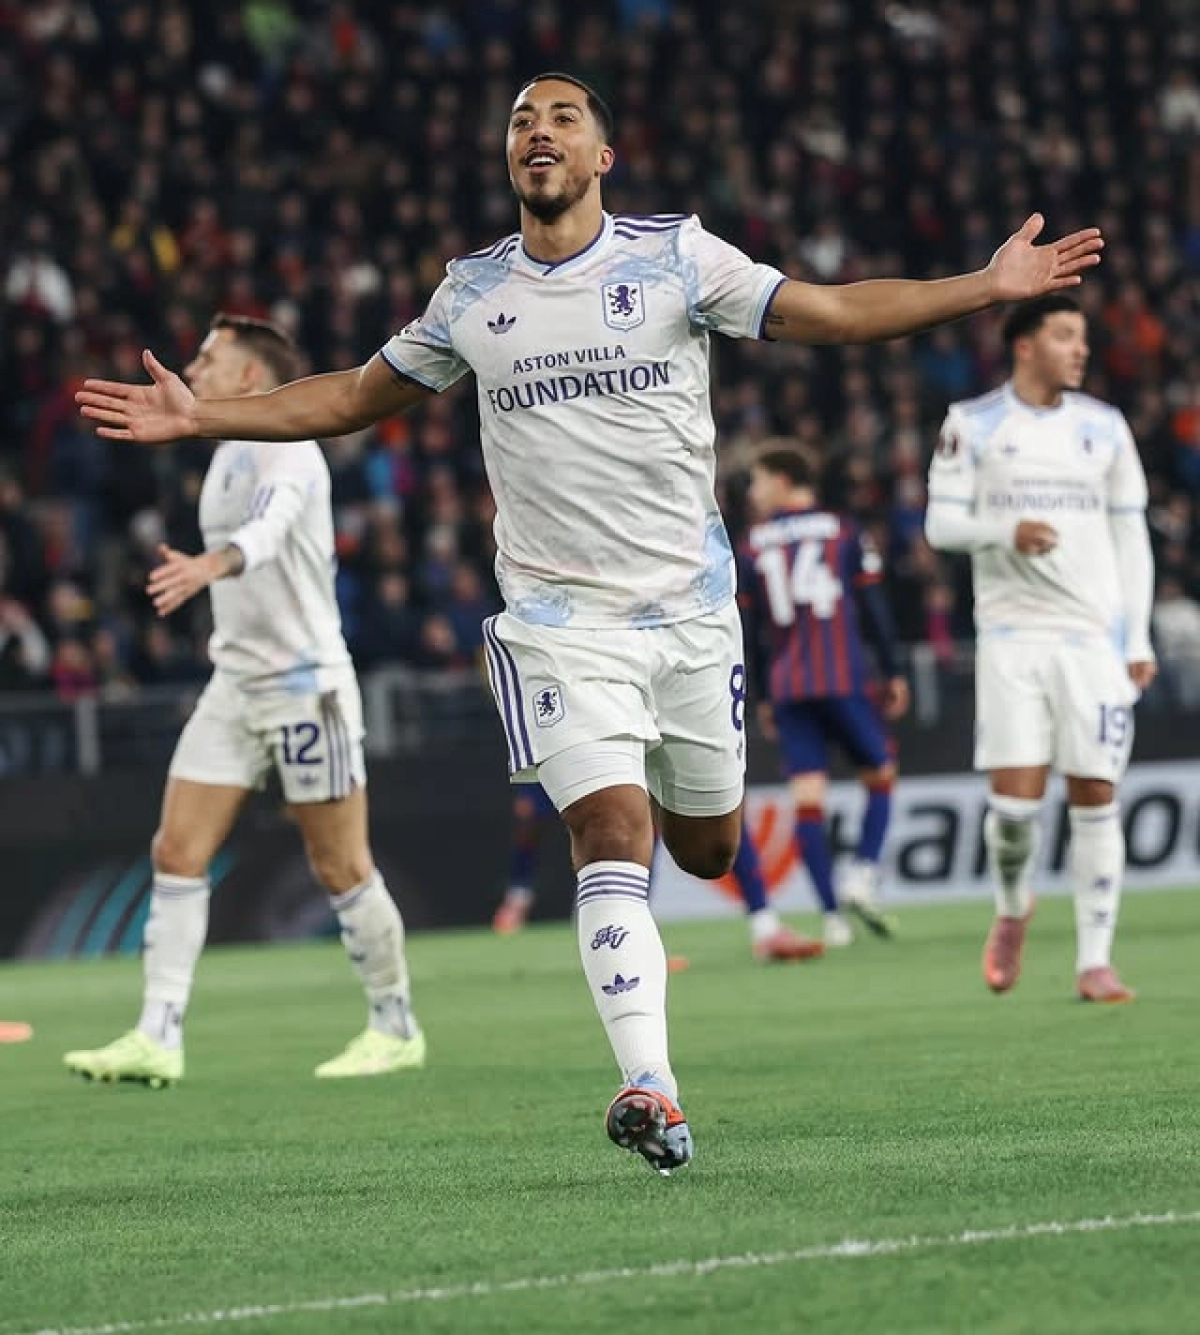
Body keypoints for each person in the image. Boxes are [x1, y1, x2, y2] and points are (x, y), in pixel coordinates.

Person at [76, 72, 1103, 1169]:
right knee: (610, 834)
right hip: (559, 625)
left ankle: (656, 814)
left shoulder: (674, 258)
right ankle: (651, 1086)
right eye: (522, 119)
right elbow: (351, 396)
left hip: (692, 617)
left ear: (602, 156)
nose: (539, 131)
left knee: (706, 849)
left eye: (563, 117)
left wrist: (983, 287)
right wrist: (206, 417)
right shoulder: (472, 293)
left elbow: (833, 311)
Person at [64, 315, 425, 1087]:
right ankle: (158, 1034)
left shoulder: (290, 451)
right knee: (176, 852)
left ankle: (395, 1025)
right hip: (235, 685)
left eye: (209, 357)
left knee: (341, 866)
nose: (194, 366)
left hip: (307, 688)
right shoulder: (226, 449)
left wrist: (209, 567)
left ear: (252, 377)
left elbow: (268, 531)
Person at [924, 294, 1155, 1003]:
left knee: (1097, 793)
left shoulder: (1105, 428)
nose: (1079, 349)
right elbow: (940, 526)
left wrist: (1138, 636)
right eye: (1063, 335)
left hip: (1092, 638)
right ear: (1024, 345)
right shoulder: (972, 424)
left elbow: (1131, 538)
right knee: (1015, 812)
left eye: (1081, 336)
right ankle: (1012, 907)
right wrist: (1005, 532)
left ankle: (1095, 960)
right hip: (1012, 636)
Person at [738, 442, 909, 948]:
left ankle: (832, 917)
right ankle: (862, 872)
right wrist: (893, 670)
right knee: (880, 775)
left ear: (783, 480)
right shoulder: (843, 530)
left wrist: (761, 694)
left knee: (807, 800)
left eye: (758, 481)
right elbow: (873, 606)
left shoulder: (751, 545)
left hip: (789, 687)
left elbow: (751, 630)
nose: (753, 492)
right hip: (841, 677)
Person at [492, 782, 826, 963]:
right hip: (601, 699)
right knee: (620, 817)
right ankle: (621, 935)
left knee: (721, 804)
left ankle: (765, 925)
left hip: (673, 693)